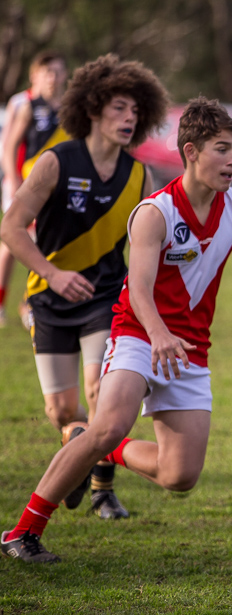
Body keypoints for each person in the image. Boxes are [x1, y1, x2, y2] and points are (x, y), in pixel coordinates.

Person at [0, 96, 232, 564]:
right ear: (191, 151)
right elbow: (136, 289)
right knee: (109, 422)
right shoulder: (155, 213)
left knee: (179, 476)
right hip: (140, 336)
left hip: (190, 351)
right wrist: (157, 333)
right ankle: (23, 530)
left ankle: (104, 449)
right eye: (222, 149)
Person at [0, 53, 164, 520]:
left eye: (135, 111)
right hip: (49, 298)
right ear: (92, 109)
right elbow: (10, 227)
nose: (128, 118)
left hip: (106, 297)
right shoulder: (55, 161)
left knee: (99, 392)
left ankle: (100, 489)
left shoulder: (139, 175)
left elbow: (148, 245)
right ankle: (79, 448)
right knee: (61, 411)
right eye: (118, 108)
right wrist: (52, 274)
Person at [0, 51, 69, 328]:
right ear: (36, 75)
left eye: (58, 71)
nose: (53, 77)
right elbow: (10, 146)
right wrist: (15, 182)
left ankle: (30, 303)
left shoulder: (68, 107)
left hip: (54, 189)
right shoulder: (25, 104)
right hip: (23, 185)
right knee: (11, 243)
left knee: (47, 242)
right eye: (47, 72)